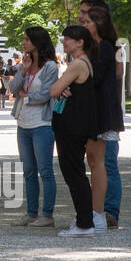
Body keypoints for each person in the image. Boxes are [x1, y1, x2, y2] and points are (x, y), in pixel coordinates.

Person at [50, 25, 98, 237]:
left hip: (71, 125)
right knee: (76, 172)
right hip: (78, 124)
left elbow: (53, 90)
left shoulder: (78, 63)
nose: (64, 42)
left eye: (68, 39)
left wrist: (61, 89)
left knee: (74, 173)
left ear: (80, 42)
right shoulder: (86, 62)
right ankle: (84, 219)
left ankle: (84, 223)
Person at [8, 27, 59, 226]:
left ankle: (47, 215)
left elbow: (46, 94)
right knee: (28, 171)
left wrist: (26, 97)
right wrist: (23, 71)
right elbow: (12, 89)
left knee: (45, 171)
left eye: (27, 39)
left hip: (42, 124)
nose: (24, 42)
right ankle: (31, 213)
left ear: (38, 42)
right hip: (23, 123)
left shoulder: (50, 67)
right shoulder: (26, 64)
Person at [79, 0, 121, 231]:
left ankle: (109, 211)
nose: (83, 23)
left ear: (98, 23)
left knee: (108, 164)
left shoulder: (104, 46)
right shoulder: (91, 47)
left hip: (104, 113)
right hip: (94, 112)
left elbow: (96, 78)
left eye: (86, 19)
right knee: (96, 163)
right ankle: (98, 210)